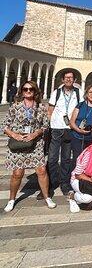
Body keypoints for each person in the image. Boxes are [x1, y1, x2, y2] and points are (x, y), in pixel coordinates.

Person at [2, 81, 57, 212]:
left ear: (35, 91)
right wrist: (15, 135)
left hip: (35, 143)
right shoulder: (15, 107)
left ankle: (47, 197)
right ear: (21, 91)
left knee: (42, 171)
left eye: (31, 89)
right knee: (17, 173)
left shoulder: (40, 107)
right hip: (18, 144)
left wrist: (35, 133)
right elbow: (5, 126)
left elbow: (45, 125)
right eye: (25, 89)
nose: (28, 91)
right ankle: (11, 199)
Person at [48, 70, 83, 196]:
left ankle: (64, 182)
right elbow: (50, 110)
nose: (69, 79)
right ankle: (51, 182)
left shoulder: (79, 93)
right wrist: (50, 124)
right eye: (66, 78)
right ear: (62, 80)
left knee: (66, 158)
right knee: (52, 158)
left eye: (71, 77)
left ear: (74, 80)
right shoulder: (56, 93)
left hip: (70, 128)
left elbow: (81, 108)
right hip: (57, 128)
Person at [69, 85, 92, 170]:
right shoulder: (80, 105)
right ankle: (74, 177)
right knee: (77, 158)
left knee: (88, 158)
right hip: (77, 136)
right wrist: (79, 130)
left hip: (90, 138)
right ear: (86, 93)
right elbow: (72, 122)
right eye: (90, 92)